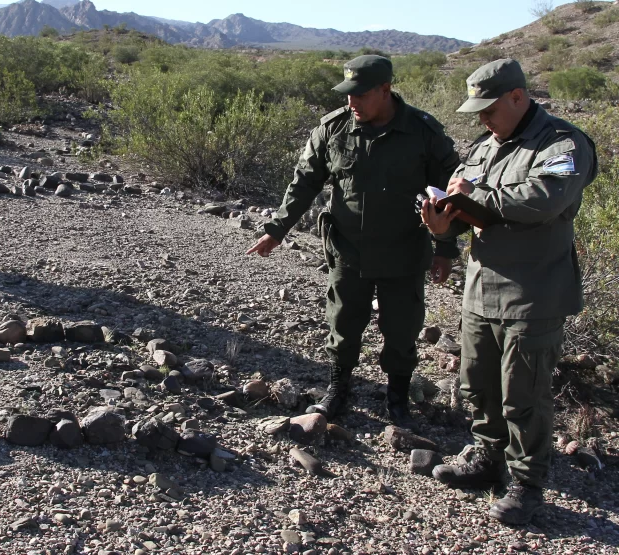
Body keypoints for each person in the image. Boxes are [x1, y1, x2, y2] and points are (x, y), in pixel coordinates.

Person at [421, 58, 597, 525]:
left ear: (518, 97)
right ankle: (487, 459)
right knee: (477, 384)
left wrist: (472, 199)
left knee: (524, 394)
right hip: (482, 289)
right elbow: (467, 208)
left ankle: (527, 483)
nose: (481, 118)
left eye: (489, 108)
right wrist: (445, 221)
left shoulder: (561, 142)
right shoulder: (484, 148)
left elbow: (544, 199)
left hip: (533, 292)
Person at [247, 55, 460, 429]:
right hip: (349, 249)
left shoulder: (424, 132)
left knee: (402, 328)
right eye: (347, 94)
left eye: (360, 95)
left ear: (385, 89)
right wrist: (277, 230)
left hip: (404, 251)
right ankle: (338, 387)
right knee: (344, 322)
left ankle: (397, 395)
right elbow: (304, 182)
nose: (352, 103)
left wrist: (444, 248)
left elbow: (447, 195)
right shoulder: (334, 129)